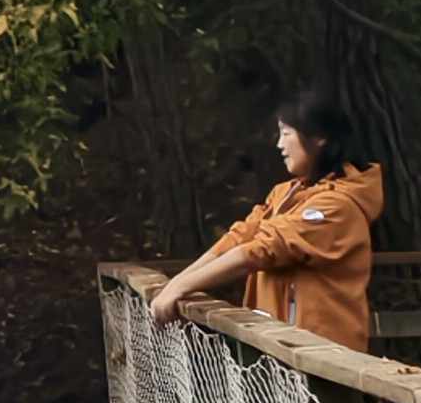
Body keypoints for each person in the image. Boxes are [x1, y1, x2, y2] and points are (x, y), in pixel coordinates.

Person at [149, 91, 387, 346]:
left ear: (319, 137)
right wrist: (177, 283)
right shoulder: (285, 193)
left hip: (320, 354)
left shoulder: (337, 206)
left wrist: (182, 287)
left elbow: (261, 250)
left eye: (286, 133)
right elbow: (239, 238)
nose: (279, 145)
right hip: (278, 351)